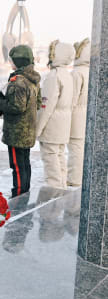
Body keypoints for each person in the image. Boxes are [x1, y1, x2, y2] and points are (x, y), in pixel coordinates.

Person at [0, 45, 42, 198]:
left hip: (16, 132)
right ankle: (25, 191)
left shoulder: (18, 81)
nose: (11, 63)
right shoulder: (33, 80)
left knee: (17, 165)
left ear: (18, 61)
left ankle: (18, 194)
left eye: (12, 60)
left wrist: (1, 102)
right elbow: (38, 102)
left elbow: (16, 107)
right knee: (25, 164)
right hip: (28, 130)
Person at [36, 40, 75, 189]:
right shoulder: (68, 75)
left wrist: (38, 129)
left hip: (52, 125)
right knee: (59, 158)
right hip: (63, 124)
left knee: (50, 160)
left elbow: (46, 106)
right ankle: (62, 187)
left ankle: (54, 190)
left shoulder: (54, 76)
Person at [67, 38, 90, 187]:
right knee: (82, 148)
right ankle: (81, 178)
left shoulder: (77, 73)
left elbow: (72, 98)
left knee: (75, 148)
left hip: (76, 116)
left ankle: (74, 180)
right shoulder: (90, 71)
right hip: (86, 115)